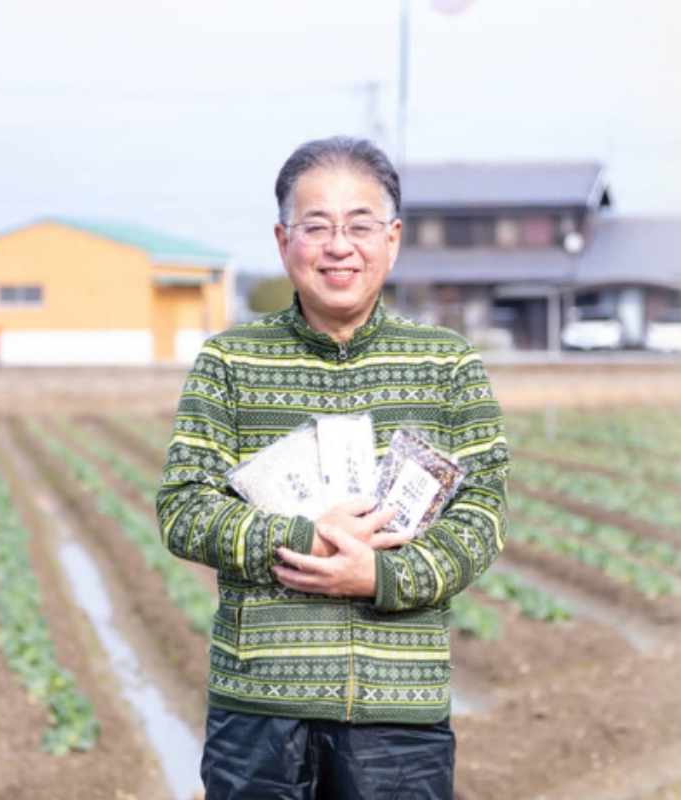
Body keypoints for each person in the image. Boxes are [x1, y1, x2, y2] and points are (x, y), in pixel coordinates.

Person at [156, 135, 510, 799]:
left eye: (359, 225)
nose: (338, 246)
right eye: (315, 225)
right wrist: (306, 537)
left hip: (398, 718)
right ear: (284, 238)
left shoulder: (447, 366)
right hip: (259, 710)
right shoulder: (230, 362)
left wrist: (378, 574)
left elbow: (483, 517)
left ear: (393, 238)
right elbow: (182, 508)